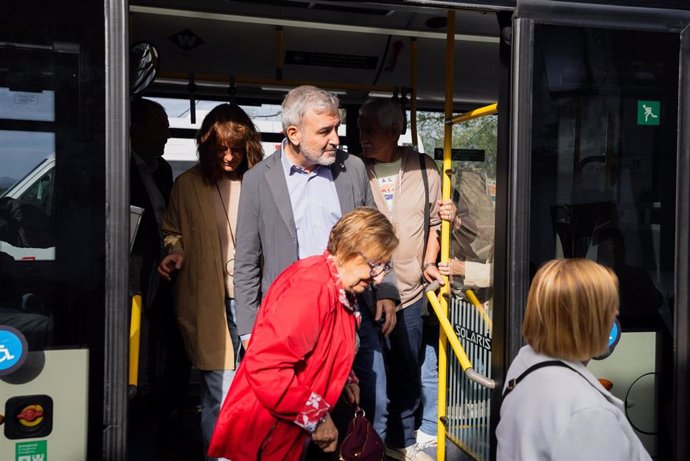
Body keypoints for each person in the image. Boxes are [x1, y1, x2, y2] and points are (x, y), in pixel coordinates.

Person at [209, 207, 399, 461]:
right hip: (268, 432)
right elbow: (267, 367)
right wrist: (317, 418)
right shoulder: (310, 289)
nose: (377, 277)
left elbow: (327, 344)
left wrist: (345, 378)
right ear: (348, 249)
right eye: (374, 265)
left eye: (384, 267)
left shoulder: (339, 287)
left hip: (287, 429)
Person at [234, 85, 399, 349]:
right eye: (324, 131)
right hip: (287, 319)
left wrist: (387, 291)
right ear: (293, 134)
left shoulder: (352, 168)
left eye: (336, 128)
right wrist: (248, 331)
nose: (335, 139)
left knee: (370, 391)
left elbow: (377, 238)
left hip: (351, 314)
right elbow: (246, 261)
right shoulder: (258, 180)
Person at [157, 103, 264, 460]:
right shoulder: (187, 185)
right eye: (221, 149)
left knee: (260, 386)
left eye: (236, 148)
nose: (230, 156)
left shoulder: (261, 181)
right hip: (207, 300)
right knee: (220, 389)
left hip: (255, 300)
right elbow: (171, 230)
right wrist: (176, 251)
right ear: (206, 147)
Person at [355, 97, 456, 461]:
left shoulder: (424, 168)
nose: (361, 137)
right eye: (360, 129)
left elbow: (434, 224)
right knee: (372, 374)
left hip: (411, 290)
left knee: (408, 367)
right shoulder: (352, 169)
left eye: (371, 130)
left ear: (395, 132)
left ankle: (404, 438)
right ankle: (376, 440)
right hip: (364, 292)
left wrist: (429, 261)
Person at [496, 258, 652, 460]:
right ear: (586, 320)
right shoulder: (588, 414)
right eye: (609, 306)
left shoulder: (524, 363)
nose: (616, 312)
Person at [128, 97, 191, 460]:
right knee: (143, 358)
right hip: (135, 280)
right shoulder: (115, 168)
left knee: (172, 353)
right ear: (135, 129)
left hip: (168, 276)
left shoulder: (163, 171)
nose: (167, 133)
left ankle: (171, 421)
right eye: (161, 126)